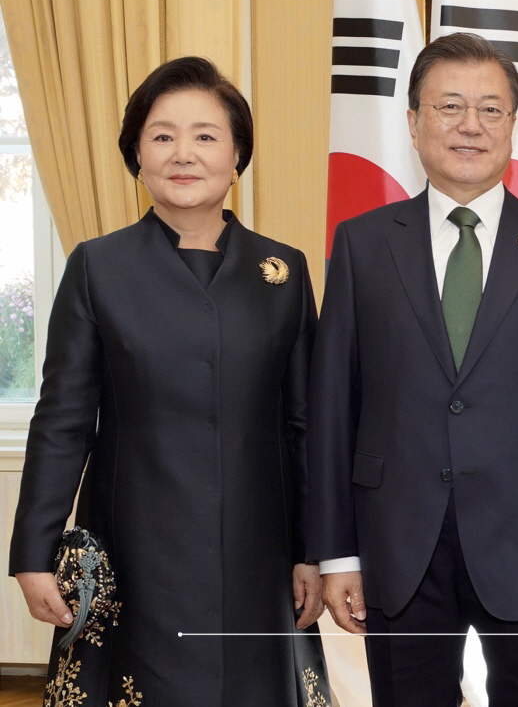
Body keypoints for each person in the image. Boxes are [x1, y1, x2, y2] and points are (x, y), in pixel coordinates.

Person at [308, 32, 518, 706]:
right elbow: (333, 406)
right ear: (414, 122)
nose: (469, 126)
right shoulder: (363, 245)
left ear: (513, 123)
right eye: (449, 106)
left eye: (490, 109)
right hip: (398, 543)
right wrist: (336, 554)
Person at [9, 57, 329, 706]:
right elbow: (64, 419)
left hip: (258, 548)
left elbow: (305, 427)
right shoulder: (99, 267)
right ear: (137, 154)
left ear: (237, 153)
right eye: (162, 136)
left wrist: (315, 551)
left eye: (206, 136)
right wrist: (32, 553)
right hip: (135, 550)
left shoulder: (284, 273)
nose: (184, 153)